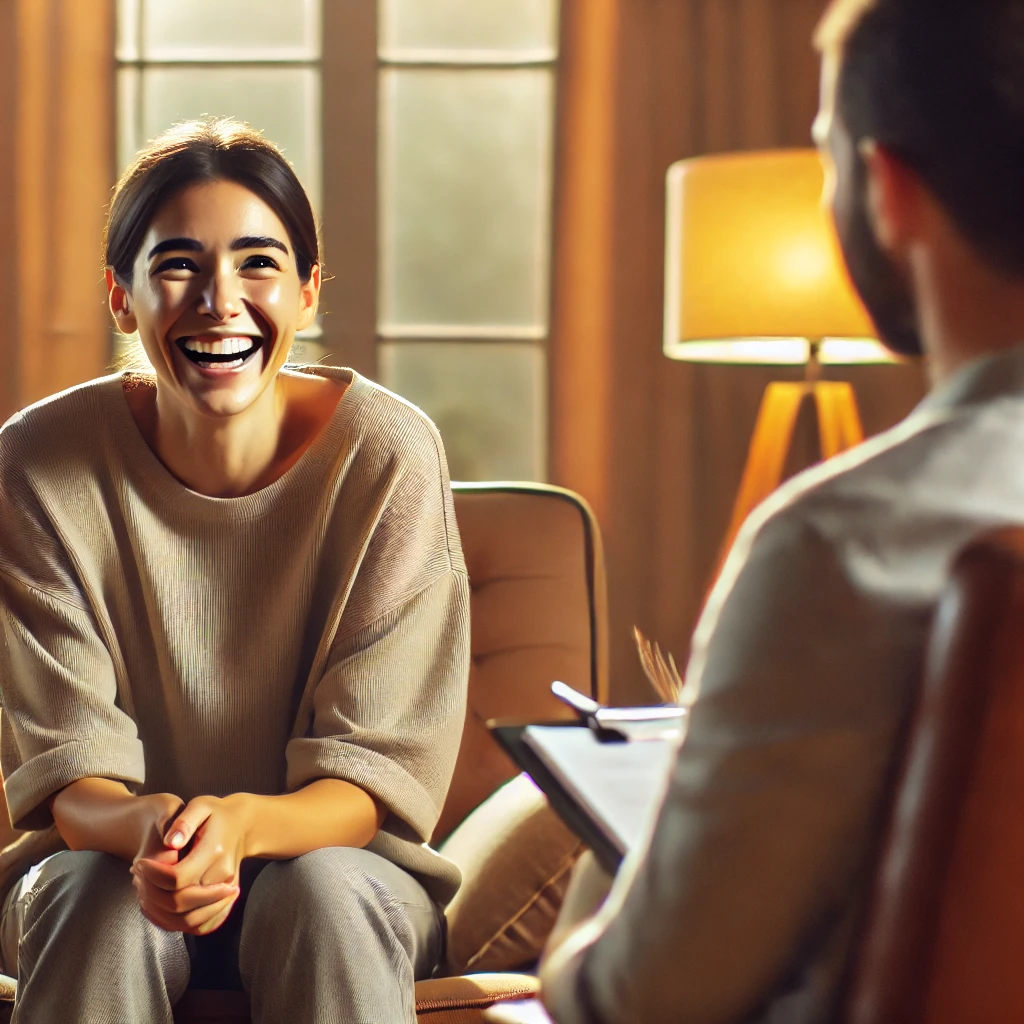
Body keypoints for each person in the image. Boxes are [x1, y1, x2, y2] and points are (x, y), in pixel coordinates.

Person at [539, 0, 1024, 1021]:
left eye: (826, 157)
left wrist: (639, 838)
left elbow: (637, 999)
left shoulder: (840, 547)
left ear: (886, 187)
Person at [0, 117, 470, 1022]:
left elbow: (366, 783)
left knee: (323, 895)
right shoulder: (37, 460)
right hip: (103, 868)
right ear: (119, 295)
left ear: (307, 291)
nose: (220, 300)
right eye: (177, 264)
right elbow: (67, 778)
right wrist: (157, 834)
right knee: (98, 902)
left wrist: (243, 828)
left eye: (259, 263)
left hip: (348, 877)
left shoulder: (388, 454)